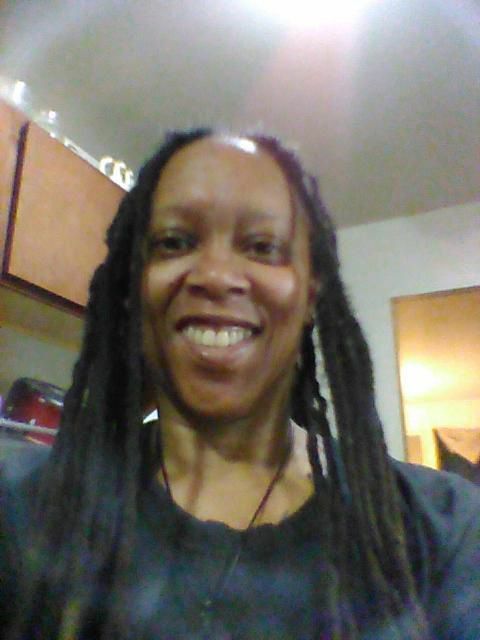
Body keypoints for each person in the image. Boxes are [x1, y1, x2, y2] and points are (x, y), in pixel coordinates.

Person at [0, 129, 479, 640]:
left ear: (310, 293)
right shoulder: (22, 510)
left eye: (262, 245)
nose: (215, 275)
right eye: (175, 242)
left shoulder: (446, 529)